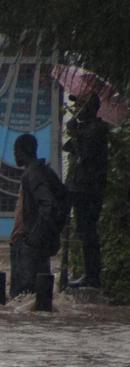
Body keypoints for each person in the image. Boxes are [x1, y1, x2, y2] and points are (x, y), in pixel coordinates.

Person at [63, 93, 109, 288]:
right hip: (79, 187)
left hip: (89, 189)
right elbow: (69, 148)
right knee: (82, 231)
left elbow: (86, 156)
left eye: (80, 105)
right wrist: (74, 131)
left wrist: (76, 134)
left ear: (89, 107)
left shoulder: (97, 129)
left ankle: (92, 275)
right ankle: (89, 273)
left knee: (88, 231)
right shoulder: (85, 129)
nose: (77, 109)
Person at [9, 133, 61, 298]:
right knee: (32, 300)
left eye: (16, 151)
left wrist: (34, 236)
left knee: (22, 297)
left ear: (23, 151)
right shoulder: (44, 171)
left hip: (28, 243)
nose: (15, 155)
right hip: (34, 242)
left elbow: (49, 205)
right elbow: (64, 198)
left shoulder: (34, 174)